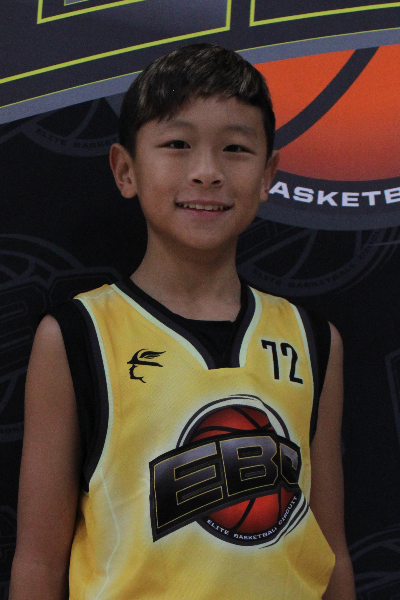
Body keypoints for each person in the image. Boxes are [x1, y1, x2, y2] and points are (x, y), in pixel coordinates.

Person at [9, 44, 355, 599]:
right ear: (125, 169)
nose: (207, 172)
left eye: (235, 148)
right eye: (177, 144)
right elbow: (38, 563)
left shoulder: (314, 341)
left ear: (268, 174)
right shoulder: (77, 336)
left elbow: (330, 549)